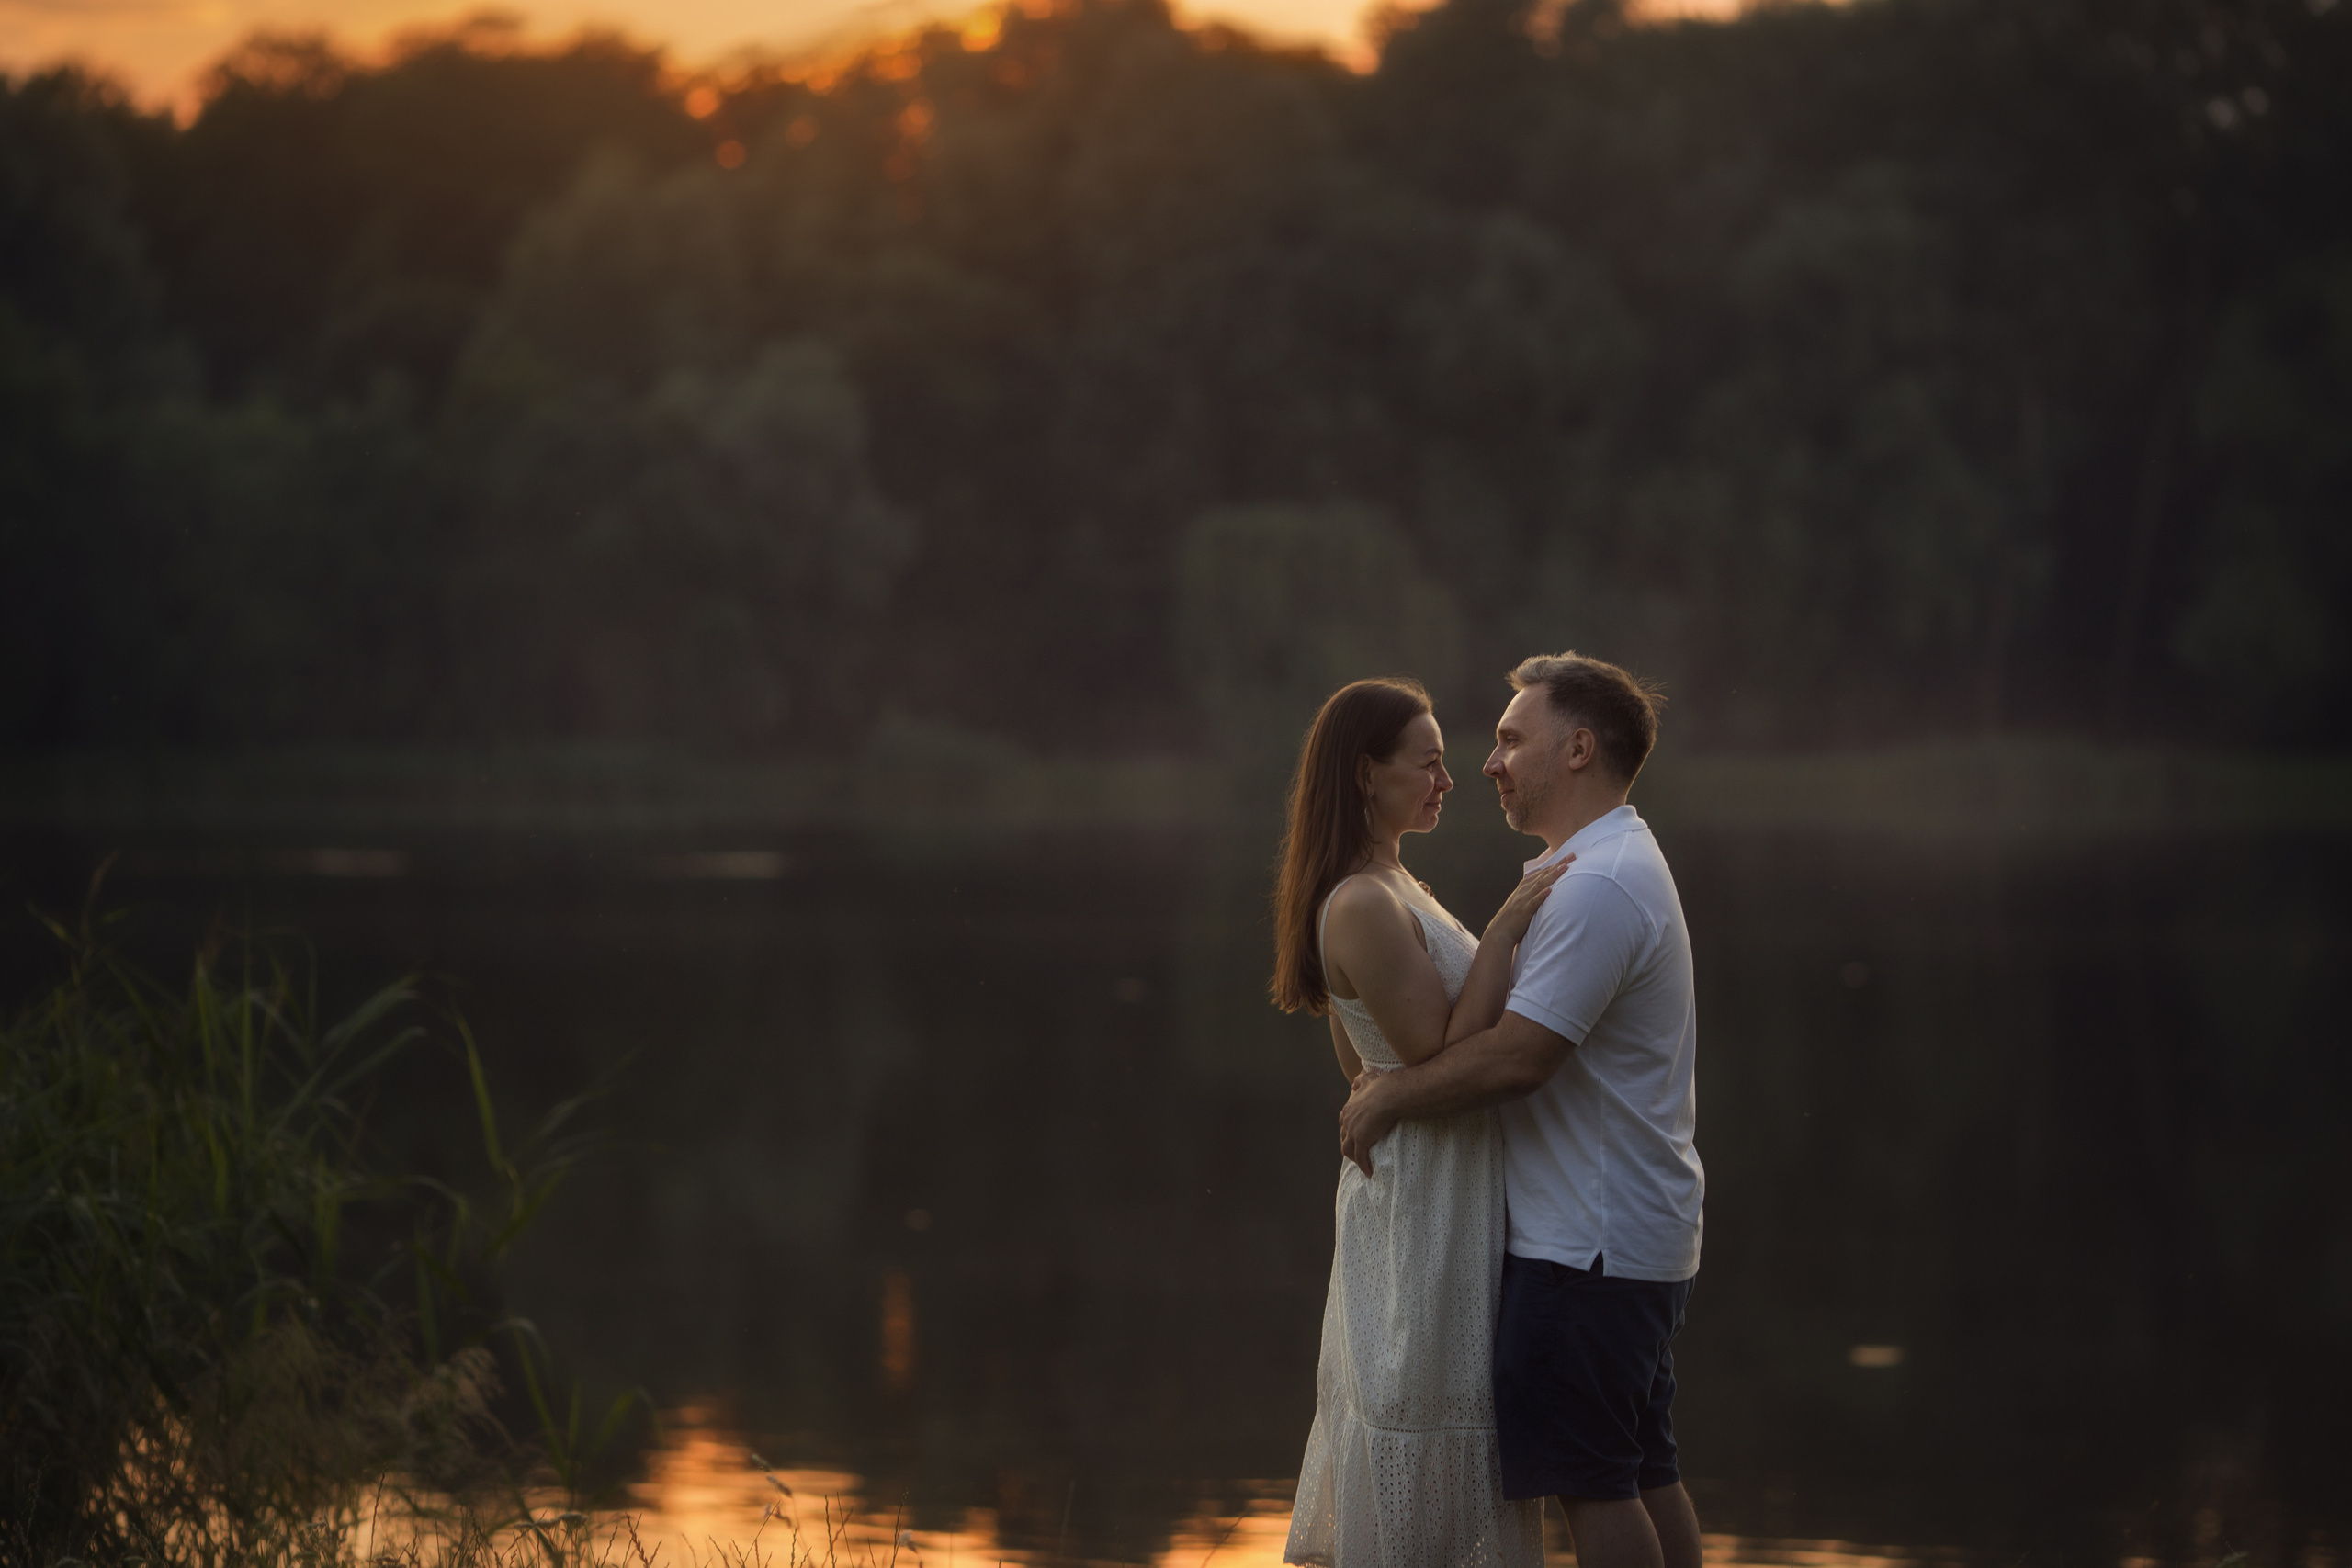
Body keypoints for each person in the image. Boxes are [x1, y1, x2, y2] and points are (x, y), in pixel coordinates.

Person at [1338, 653, 1706, 1568]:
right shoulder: (1592, 863)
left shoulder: (1597, 884)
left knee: (1595, 1484)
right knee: (1641, 1471)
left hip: (1588, 1245)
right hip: (1624, 1236)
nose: (1490, 763)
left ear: (1577, 749)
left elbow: (1519, 1057)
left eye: (1510, 738)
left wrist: (1390, 1095)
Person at [1273, 677, 1566, 1568]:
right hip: (1420, 1209)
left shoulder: (1392, 882)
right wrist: (1512, 922)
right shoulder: (1362, 901)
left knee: (1445, 1429)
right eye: (1427, 764)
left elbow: (1364, 1068)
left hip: (1440, 1188)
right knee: (1419, 1418)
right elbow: (1434, 1046)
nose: (1447, 779)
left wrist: (1390, 1092)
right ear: (1367, 775)